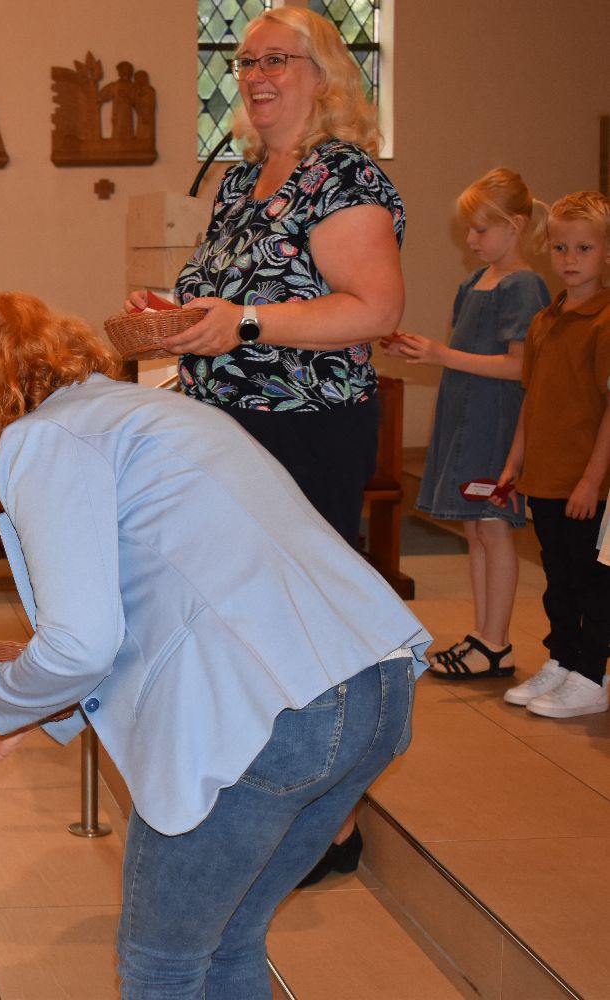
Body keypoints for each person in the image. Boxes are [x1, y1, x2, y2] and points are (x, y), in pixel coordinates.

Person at [0, 292, 431, 1000]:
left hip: (269, 720)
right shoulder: (158, 412)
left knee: (163, 965)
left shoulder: (45, 437)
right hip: (373, 684)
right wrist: (29, 716)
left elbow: (82, 643)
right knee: (229, 941)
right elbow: (158, 604)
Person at [127, 3, 405, 883]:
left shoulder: (343, 177)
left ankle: (334, 824)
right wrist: (177, 320)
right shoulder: (241, 180)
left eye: (276, 60)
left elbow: (373, 309)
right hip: (226, 430)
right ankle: (261, 791)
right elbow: (229, 301)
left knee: (307, 625)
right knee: (238, 625)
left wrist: (243, 322)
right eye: (245, 63)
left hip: (305, 429)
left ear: (324, 76)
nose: (254, 76)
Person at [385, 169, 549, 680]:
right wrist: (422, 350)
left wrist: (442, 355)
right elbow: (462, 353)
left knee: (494, 529)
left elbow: (520, 367)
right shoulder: (472, 282)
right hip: (466, 419)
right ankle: (483, 636)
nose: (472, 240)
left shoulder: (525, 286)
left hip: (497, 424)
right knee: (476, 530)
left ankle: (497, 642)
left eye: (481, 229)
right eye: (469, 231)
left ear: (514, 226)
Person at [493, 192, 610, 717]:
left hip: (586, 483)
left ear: (606, 252)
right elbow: (532, 399)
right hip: (544, 476)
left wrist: (591, 480)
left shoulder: (605, 320)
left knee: (592, 582)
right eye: (561, 247)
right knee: (557, 580)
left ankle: (592, 673)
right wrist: (514, 463)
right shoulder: (544, 320)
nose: (570, 259)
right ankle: (562, 659)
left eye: (584, 248)